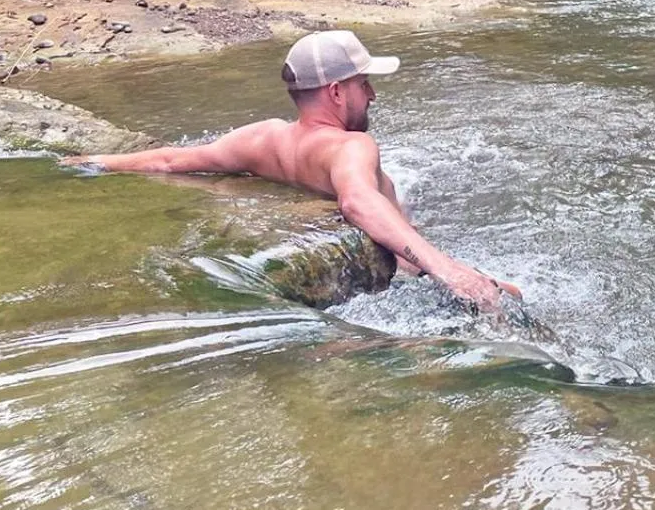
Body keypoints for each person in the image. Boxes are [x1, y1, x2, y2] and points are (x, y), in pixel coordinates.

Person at [64, 30, 521, 313]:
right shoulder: (352, 146)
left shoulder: (262, 139)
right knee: (513, 296)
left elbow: (169, 160)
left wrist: (94, 163)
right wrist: (449, 271)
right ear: (338, 92)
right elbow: (358, 202)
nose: (374, 95)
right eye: (365, 84)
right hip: (395, 281)